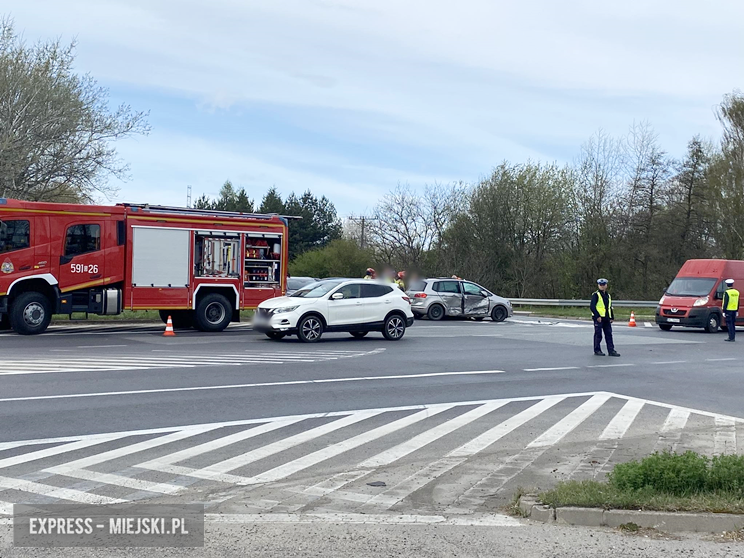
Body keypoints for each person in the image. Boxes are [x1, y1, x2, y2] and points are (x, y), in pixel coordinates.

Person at [590, 278, 620, 357]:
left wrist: (611, 317)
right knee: (598, 335)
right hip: (599, 318)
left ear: (606, 285)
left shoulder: (608, 295)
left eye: (604, 285)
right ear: (598, 286)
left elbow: (610, 307)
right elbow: (592, 306)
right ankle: (597, 350)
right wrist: (597, 316)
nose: (602, 286)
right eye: (601, 285)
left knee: (609, 334)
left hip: (606, 318)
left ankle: (611, 350)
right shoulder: (596, 295)